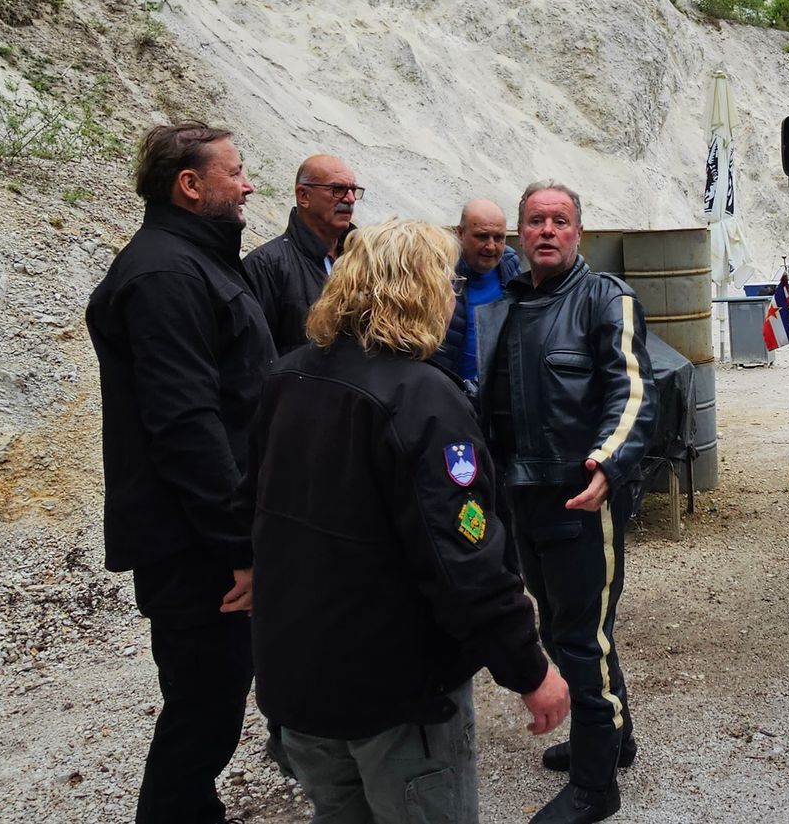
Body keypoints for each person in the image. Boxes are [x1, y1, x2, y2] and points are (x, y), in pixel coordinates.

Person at [246, 216, 571, 824]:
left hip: (299, 677)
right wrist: (529, 668)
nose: (453, 295)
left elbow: (255, 508)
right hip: (395, 690)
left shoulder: (287, 377)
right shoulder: (422, 400)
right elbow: (465, 557)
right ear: (418, 290)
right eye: (446, 281)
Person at [85, 121, 274, 824]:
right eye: (236, 171)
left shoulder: (198, 261)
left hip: (209, 532)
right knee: (204, 706)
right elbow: (186, 425)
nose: (248, 184)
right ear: (190, 185)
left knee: (213, 698)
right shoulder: (165, 274)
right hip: (195, 543)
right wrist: (238, 548)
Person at [475, 181, 656, 824]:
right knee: (560, 628)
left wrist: (609, 461)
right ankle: (613, 740)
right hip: (521, 496)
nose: (547, 230)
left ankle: (595, 787)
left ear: (578, 232)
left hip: (580, 498)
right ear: (521, 233)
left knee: (581, 638)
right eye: (535, 221)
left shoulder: (606, 298)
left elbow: (634, 391)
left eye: (559, 220)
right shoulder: (506, 303)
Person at [244, 155, 360, 353]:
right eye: (338, 189)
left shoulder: (363, 260)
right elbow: (255, 352)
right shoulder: (266, 266)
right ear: (304, 196)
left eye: (353, 190)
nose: (350, 199)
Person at [432, 198, 522, 391]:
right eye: (482, 237)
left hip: (495, 392)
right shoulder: (438, 272)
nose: (491, 246)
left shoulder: (510, 264)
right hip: (447, 391)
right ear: (460, 233)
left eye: (499, 238)